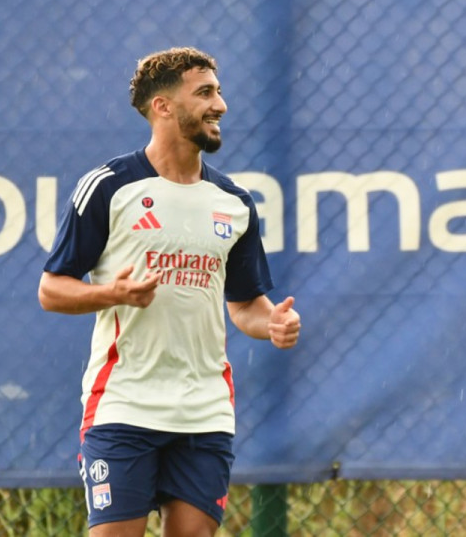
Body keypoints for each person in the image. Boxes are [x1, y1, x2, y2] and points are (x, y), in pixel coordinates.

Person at [38, 47, 301, 537]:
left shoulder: (234, 203)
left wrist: (274, 323)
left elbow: (245, 306)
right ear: (162, 107)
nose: (219, 104)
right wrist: (111, 294)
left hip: (205, 410)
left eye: (218, 91)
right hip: (123, 404)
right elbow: (51, 290)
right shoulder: (109, 187)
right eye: (204, 93)